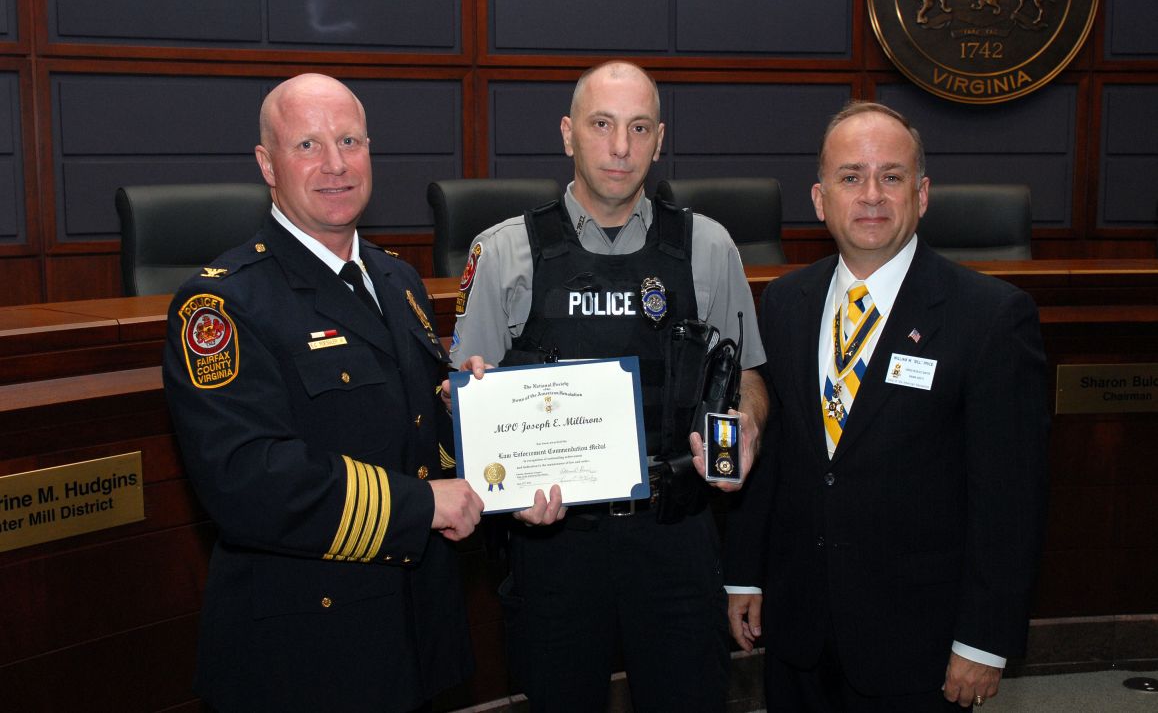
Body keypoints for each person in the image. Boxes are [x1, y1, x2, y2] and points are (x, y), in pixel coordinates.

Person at [450, 60, 769, 712]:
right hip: (554, 542)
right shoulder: (504, 251)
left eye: (639, 127)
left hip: (675, 533)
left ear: (658, 139)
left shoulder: (708, 247)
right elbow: (464, 397)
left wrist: (746, 425)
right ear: (568, 134)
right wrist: (504, 488)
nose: (621, 147)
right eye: (602, 125)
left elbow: (749, 377)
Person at [162, 73, 485, 712]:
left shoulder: (398, 281)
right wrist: (421, 505)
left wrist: (478, 414)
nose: (335, 164)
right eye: (307, 145)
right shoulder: (223, 303)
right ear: (267, 164)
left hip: (414, 630)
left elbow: (415, 435)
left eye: (350, 141)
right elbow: (247, 482)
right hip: (307, 649)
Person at [726, 101, 1049, 711]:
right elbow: (771, 453)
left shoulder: (991, 318)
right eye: (851, 176)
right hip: (799, 632)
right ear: (820, 199)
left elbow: (1010, 496)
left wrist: (983, 641)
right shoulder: (786, 301)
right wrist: (744, 572)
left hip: (918, 644)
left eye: (891, 176)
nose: (871, 194)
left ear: (922, 195)